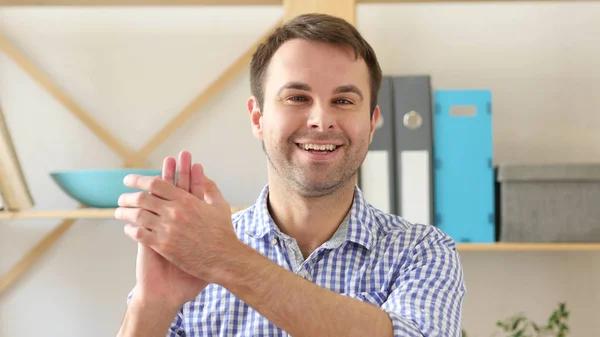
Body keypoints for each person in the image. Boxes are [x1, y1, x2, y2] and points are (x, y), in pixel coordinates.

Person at [114, 13, 465, 337]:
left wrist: (225, 259)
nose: (321, 120)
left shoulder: (422, 252)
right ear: (257, 118)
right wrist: (152, 304)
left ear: (372, 123)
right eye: (297, 97)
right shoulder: (193, 251)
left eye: (343, 101)